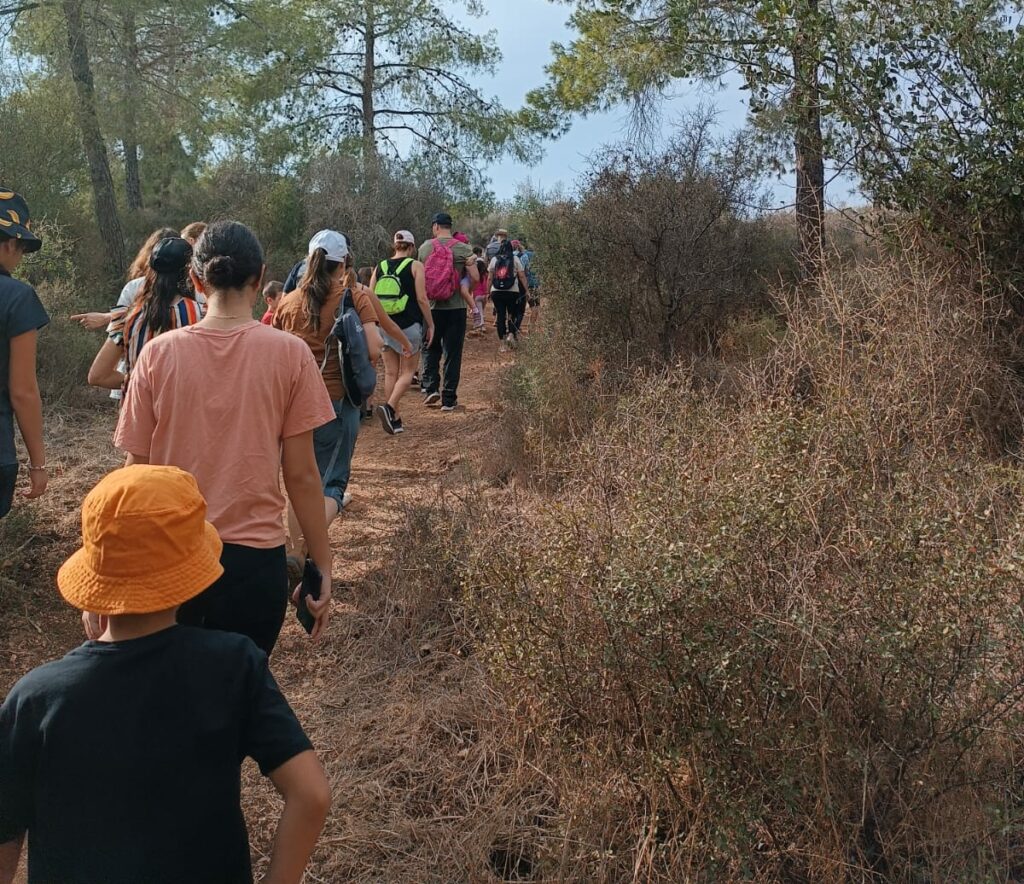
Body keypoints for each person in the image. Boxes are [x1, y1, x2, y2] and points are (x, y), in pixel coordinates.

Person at [0, 465, 331, 884]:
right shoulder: (234, 665)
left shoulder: (35, 699)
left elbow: (6, 835)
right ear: (193, 577)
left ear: (96, 584)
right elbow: (312, 795)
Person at [113, 221, 335, 656]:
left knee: (173, 697)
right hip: (254, 565)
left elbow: (133, 474)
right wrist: (321, 563)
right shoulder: (289, 354)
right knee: (239, 698)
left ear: (196, 280)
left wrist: (115, 567)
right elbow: (303, 477)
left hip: (170, 555)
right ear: (260, 277)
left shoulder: (158, 354)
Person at [274, 231, 410, 563]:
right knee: (332, 484)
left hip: (292, 403)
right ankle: (306, 548)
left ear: (309, 261)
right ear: (344, 263)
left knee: (298, 482)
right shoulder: (353, 297)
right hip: (336, 401)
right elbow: (375, 350)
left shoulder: (288, 301)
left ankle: (295, 552)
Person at [86, 237, 202, 391]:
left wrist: (142, 383)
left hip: (138, 412)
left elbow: (98, 376)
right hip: (185, 411)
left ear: (151, 269)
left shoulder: (127, 318)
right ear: (190, 272)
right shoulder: (202, 315)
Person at [0, 188, 48, 517]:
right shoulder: (16, 297)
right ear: (8, 243)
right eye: (21, 249)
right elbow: (23, 392)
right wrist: (38, 463)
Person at [369, 230, 434, 435]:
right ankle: (389, 408)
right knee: (408, 372)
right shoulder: (415, 266)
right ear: (412, 247)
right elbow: (422, 299)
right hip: (409, 327)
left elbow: (370, 295)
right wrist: (430, 324)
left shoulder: (380, 266)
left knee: (390, 372)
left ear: (394, 246)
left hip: (385, 326)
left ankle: (395, 419)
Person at [418, 212, 478, 412]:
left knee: (430, 348)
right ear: (450, 227)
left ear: (435, 226)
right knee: (452, 352)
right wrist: (466, 289)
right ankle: (449, 399)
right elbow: (475, 277)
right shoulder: (463, 248)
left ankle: (430, 388)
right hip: (456, 308)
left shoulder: (425, 248)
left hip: (431, 308)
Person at [489, 239, 531, 351]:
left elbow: (490, 277)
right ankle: (511, 335)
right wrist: (527, 290)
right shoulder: (515, 259)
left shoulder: (494, 259)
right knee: (512, 314)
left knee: (500, 315)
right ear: (511, 248)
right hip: (512, 291)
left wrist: (487, 291)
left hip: (496, 291)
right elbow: (522, 276)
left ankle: (502, 345)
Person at [470, 245, 489, 333]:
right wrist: (486, 293)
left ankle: (479, 324)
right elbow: (485, 285)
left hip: (476, 296)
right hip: (484, 296)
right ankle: (480, 325)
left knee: (477, 311)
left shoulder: (475, 276)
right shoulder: (485, 275)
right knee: (481, 311)